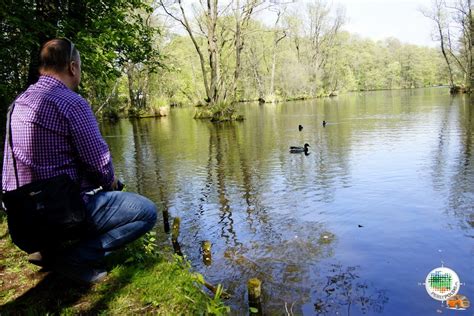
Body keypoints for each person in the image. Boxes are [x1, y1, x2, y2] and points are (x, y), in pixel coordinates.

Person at [1, 38, 157, 283]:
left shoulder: (16, 104)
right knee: (145, 211)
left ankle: (49, 251)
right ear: (73, 67)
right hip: (57, 216)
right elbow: (100, 164)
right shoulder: (72, 103)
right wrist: (112, 186)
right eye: (80, 69)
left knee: (66, 189)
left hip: (22, 221)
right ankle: (74, 258)